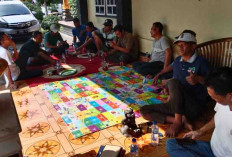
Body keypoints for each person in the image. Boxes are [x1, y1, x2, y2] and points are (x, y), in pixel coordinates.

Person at [140, 30, 210, 137]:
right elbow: (176, 83)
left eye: (184, 45)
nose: (180, 47)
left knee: (172, 82)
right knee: (144, 111)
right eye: (179, 45)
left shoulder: (201, 62)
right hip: (177, 106)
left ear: (193, 46)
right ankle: (180, 120)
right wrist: (169, 97)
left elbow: (213, 84)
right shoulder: (177, 61)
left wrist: (199, 79)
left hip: (192, 106)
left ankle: (177, 122)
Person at [166, 67, 232, 157]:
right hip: (211, 148)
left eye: (215, 98)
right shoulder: (223, 102)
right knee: (171, 144)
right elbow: (217, 117)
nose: (214, 101)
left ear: (230, 96)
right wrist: (199, 131)